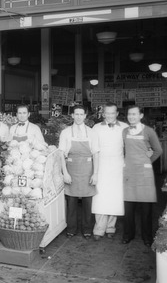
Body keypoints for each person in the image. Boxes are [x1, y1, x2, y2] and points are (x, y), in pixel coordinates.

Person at [122, 105, 163, 246]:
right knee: (128, 207)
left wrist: (147, 161)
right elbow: (122, 149)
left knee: (146, 208)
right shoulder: (124, 131)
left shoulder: (149, 131)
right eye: (129, 114)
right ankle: (128, 235)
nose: (131, 117)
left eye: (134, 114)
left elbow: (158, 150)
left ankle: (147, 237)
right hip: (129, 172)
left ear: (140, 116)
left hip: (144, 173)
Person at [59, 105, 99, 239]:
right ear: (72, 116)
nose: (79, 117)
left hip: (88, 170)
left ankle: (87, 229)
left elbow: (96, 154)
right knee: (71, 201)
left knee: (88, 202)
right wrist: (65, 173)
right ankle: (71, 229)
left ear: (85, 116)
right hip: (71, 169)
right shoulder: (65, 132)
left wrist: (95, 173)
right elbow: (61, 154)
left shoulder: (91, 132)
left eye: (81, 114)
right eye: (76, 114)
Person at [91, 102, 127, 240]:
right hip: (101, 165)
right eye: (107, 113)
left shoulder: (125, 127)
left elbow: (130, 147)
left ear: (117, 114)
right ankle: (99, 228)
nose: (110, 115)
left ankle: (111, 227)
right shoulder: (96, 128)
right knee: (100, 196)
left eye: (113, 113)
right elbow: (93, 149)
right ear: (103, 114)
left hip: (118, 166)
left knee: (115, 197)